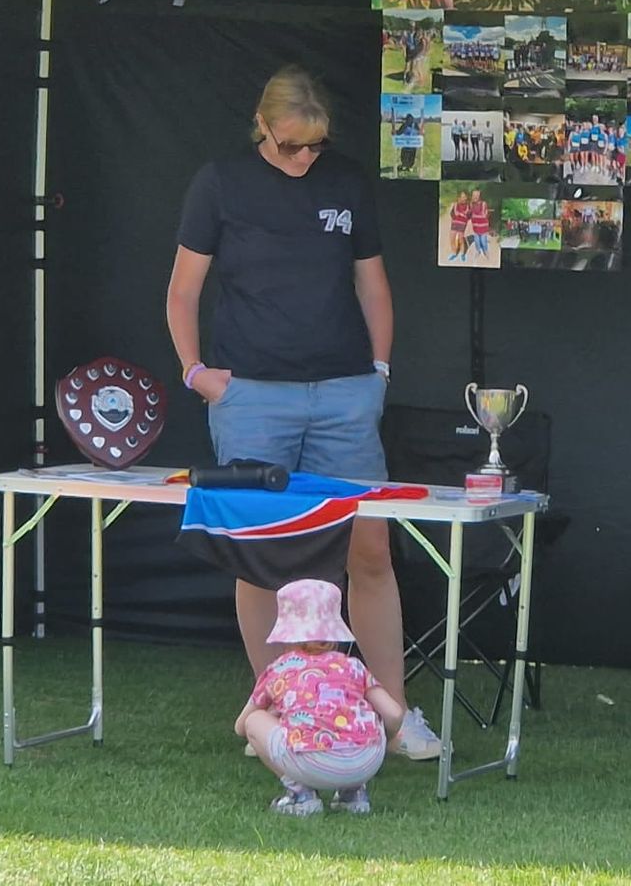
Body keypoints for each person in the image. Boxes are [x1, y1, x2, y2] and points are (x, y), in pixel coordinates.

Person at [166, 65, 440, 761]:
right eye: (291, 145)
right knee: (259, 558)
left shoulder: (346, 181)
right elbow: (182, 289)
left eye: (314, 146)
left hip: (345, 392)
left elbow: (372, 283)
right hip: (252, 395)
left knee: (368, 549)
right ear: (262, 125)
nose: (304, 158)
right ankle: (277, 711)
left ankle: (394, 714)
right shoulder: (220, 181)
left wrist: (378, 370)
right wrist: (197, 374)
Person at [236, 579, 405, 816]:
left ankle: (301, 795)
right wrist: (380, 739)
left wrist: (276, 712)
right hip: (367, 762)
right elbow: (395, 714)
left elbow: (241, 726)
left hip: (313, 762)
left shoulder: (280, 669)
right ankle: (353, 793)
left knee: (256, 721)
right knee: (366, 709)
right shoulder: (353, 667)